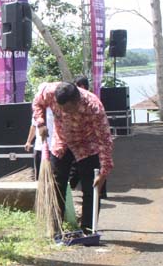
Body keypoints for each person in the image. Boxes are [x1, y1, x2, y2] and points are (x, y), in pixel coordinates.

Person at [33, 82, 113, 233]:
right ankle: (55, 228)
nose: (63, 112)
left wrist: (104, 170)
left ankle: (88, 230)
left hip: (87, 145)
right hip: (62, 141)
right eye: (60, 107)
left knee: (91, 188)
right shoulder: (50, 91)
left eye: (68, 108)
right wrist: (41, 123)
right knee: (57, 184)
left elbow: (104, 139)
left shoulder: (94, 106)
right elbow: (37, 103)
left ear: (77, 102)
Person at [24, 83, 54, 181]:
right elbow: (33, 126)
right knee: (40, 176)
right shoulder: (37, 111)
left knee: (52, 176)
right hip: (39, 147)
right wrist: (28, 141)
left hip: (52, 147)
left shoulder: (54, 108)